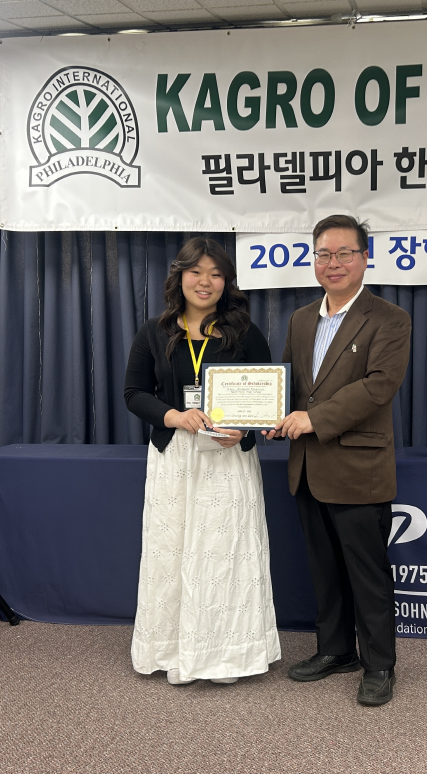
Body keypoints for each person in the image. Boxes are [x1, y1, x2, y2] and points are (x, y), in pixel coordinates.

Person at [264, 215, 411, 706]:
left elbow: (378, 387)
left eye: (345, 253)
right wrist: (273, 415)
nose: (334, 263)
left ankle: (380, 664)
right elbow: (292, 385)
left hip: (357, 468)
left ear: (365, 258)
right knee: (324, 569)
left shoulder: (390, 318)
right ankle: (335, 650)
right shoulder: (301, 318)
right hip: (307, 466)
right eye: (324, 254)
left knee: (367, 573)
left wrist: (311, 418)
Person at [125, 237, 281, 686]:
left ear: (227, 282)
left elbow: (266, 398)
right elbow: (134, 393)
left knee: (225, 555)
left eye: (216, 274)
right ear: (180, 277)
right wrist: (174, 415)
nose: (205, 281)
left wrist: (244, 430)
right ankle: (174, 650)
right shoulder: (154, 331)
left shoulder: (245, 332)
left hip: (227, 461)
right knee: (173, 554)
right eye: (196, 272)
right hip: (175, 458)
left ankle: (226, 655)